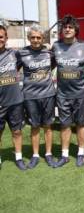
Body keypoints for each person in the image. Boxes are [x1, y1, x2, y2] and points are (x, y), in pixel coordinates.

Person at [17, 24, 56, 169]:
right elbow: (14, 69)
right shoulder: (21, 53)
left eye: (38, 37)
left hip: (48, 94)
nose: (35, 40)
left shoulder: (49, 53)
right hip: (30, 96)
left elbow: (52, 66)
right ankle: (35, 155)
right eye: (32, 37)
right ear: (28, 38)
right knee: (34, 126)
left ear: (43, 38)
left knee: (47, 125)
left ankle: (48, 154)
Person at [52, 15, 84, 168]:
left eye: (70, 27)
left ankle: (81, 153)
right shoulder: (55, 46)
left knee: (80, 124)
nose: (67, 29)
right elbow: (46, 64)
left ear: (75, 30)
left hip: (80, 93)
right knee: (65, 125)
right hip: (62, 94)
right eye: (65, 27)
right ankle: (65, 155)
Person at [0, 25, 27, 170]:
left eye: (1, 37)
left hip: (15, 102)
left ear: (6, 38)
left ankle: (19, 158)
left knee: (17, 131)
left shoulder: (14, 54)